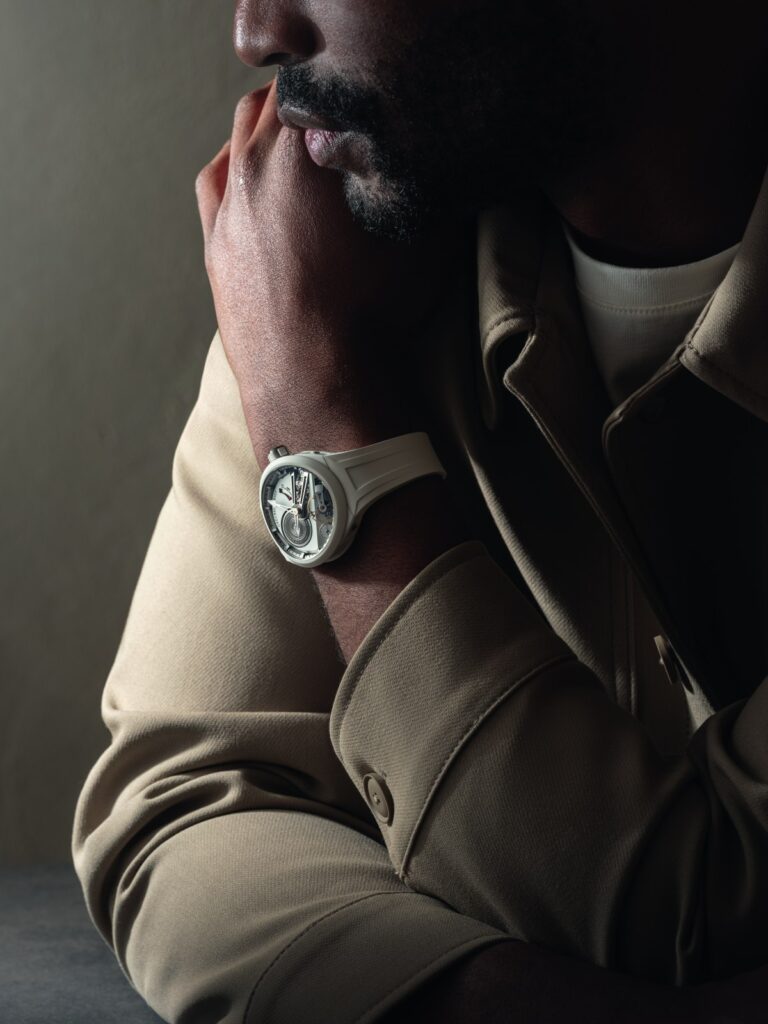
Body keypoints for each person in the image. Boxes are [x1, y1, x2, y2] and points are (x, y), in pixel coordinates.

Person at [72, 1, 768, 1021]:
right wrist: (313, 389)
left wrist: (327, 426)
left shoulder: (325, 315)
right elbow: (181, 805)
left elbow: (688, 911)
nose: (256, 32)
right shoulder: (341, 270)